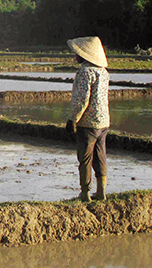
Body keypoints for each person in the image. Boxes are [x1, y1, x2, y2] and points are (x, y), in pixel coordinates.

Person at [66, 36, 110, 202]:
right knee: (101, 155)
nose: (75, 56)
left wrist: (73, 119)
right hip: (104, 121)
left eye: (77, 53)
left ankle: (85, 192)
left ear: (84, 55)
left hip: (88, 122)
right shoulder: (104, 72)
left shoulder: (85, 71)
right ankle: (101, 191)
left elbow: (82, 99)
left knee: (85, 158)